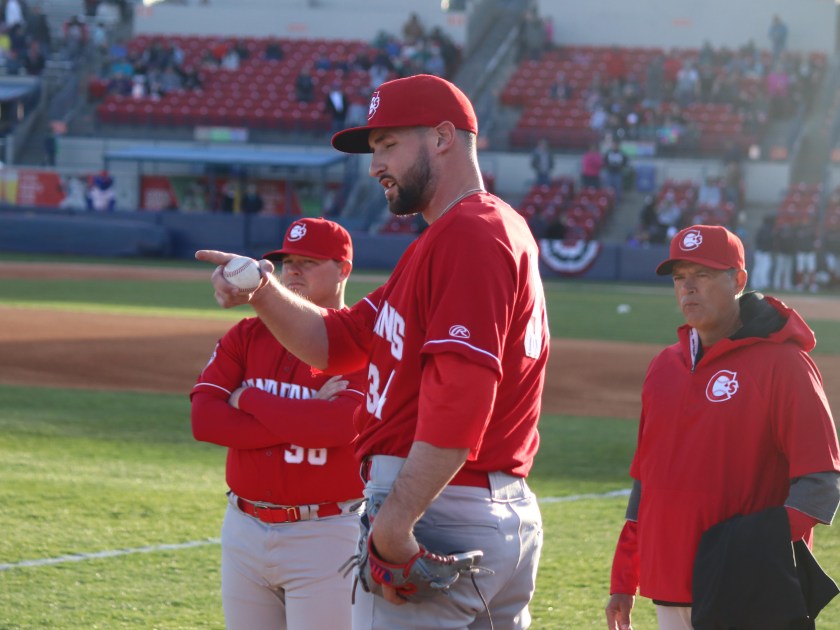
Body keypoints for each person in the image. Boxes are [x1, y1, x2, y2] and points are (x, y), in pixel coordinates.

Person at [196, 74, 548, 630]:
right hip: (471, 505)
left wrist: (393, 526)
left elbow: (461, 401)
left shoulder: (469, 234)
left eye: (387, 145)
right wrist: (263, 291)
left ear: (441, 137)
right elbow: (337, 342)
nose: (373, 164)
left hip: (438, 510)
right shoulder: (455, 237)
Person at [605, 224, 840, 630]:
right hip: (668, 584)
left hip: (748, 591)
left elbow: (821, 482)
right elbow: (646, 477)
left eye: (704, 275)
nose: (688, 288)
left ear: (739, 281)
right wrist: (625, 577)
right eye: (680, 277)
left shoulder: (784, 365)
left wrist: (756, 546)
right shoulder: (663, 367)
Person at [191, 217, 365, 630]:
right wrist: (304, 413)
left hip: (327, 534)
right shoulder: (247, 336)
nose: (294, 271)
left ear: (344, 270)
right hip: (243, 529)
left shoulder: (362, 343)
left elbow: (338, 428)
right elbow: (205, 421)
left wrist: (247, 398)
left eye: (309, 261)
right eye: (288, 262)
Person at [602, 140, 629, 205]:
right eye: (614, 145)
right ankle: (608, 202)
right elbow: (604, 161)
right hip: (609, 173)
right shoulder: (608, 153)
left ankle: (617, 202)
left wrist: (621, 167)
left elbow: (625, 162)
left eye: (616, 145)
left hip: (618, 173)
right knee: (608, 188)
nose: (615, 147)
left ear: (618, 146)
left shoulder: (622, 154)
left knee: (618, 189)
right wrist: (608, 166)